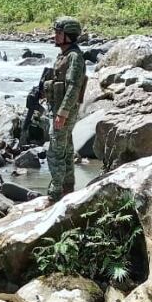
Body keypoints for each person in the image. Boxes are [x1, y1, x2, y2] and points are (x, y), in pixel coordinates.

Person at [43, 16, 86, 201]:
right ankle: (68, 189)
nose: (55, 36)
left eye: (59, 33)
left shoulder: (74, 57)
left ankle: (54, 194)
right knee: (66, 149)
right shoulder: (64, 55)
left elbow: (73, 87)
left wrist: (62, 113)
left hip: (64, 111)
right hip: (59, 108)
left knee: (55, 151)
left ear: (68, 35)